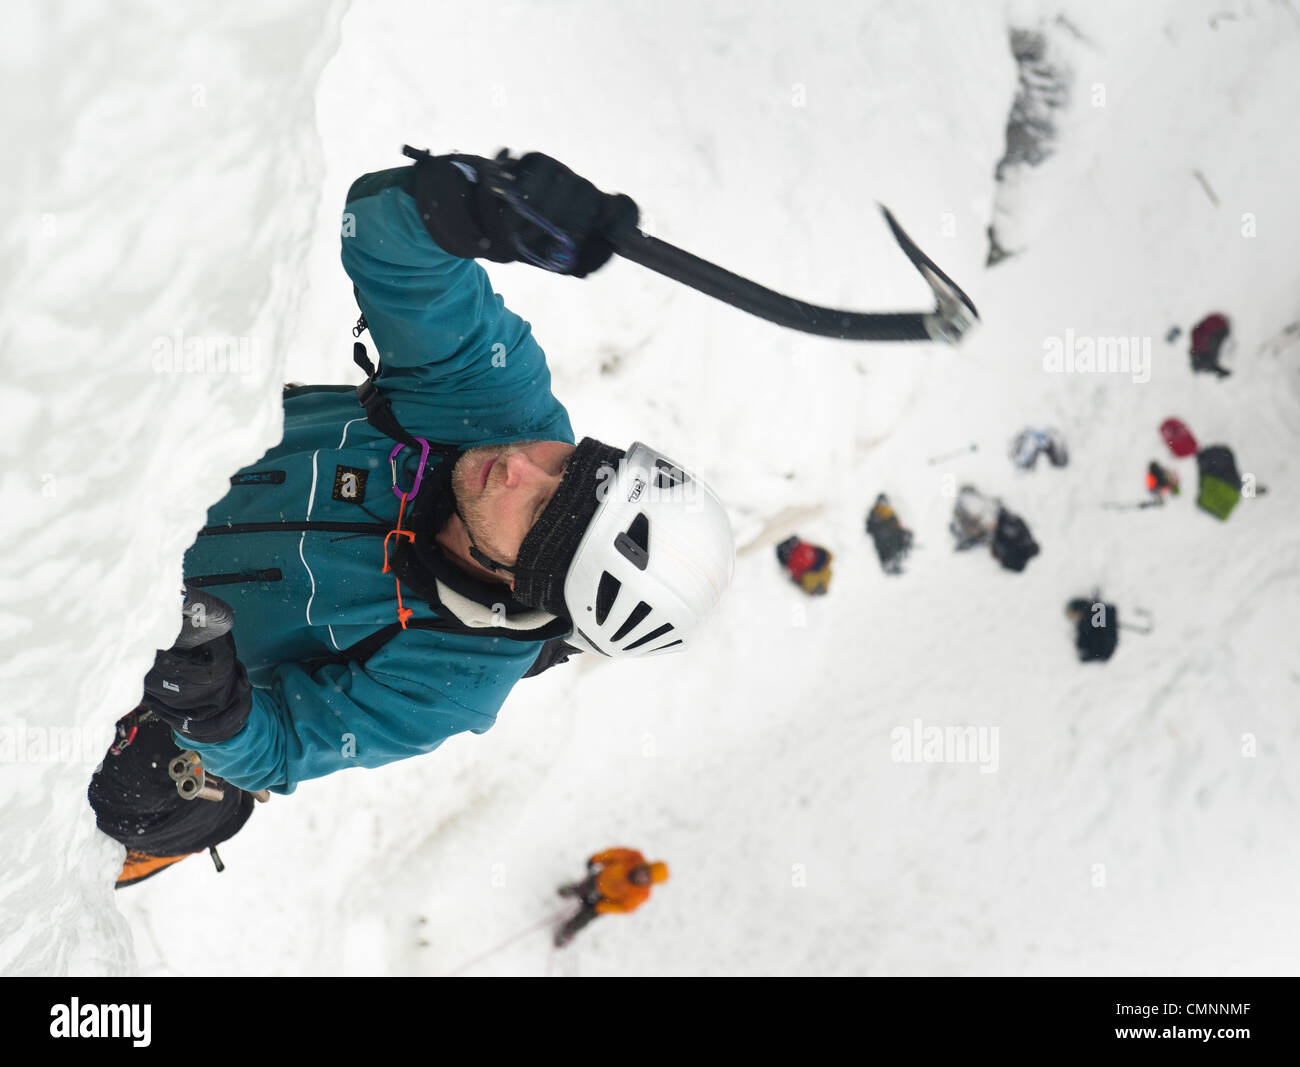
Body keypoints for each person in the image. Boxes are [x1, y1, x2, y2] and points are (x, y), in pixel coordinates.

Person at [122, 147, 736, 799]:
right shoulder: (502, 404)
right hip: (138, 457)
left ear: (518, 582)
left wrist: (213, 708)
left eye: (536, 513)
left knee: (141, 795)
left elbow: (281, 748)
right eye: (570, 463)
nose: (520, 465)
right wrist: (477, 207)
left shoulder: (456, 676)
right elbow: (382, 234)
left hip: (123, 619)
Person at [555, 847, 669, 947]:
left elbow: (624, 908)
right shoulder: (633, 857)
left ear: (649, 883)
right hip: (599, 879)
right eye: (645, 871)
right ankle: (572, 890)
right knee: (583, 888)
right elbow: (612, 853)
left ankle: (567, 932)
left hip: (606, 900)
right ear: (645, 866)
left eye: (646, 878)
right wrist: (596, 859)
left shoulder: (641, 894)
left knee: (584, 917)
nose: (642, 876)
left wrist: (600, 906)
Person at [1189, 312, 1231, 378]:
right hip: (1218, 325)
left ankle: (1220, 371)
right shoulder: (1198, 334)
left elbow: (1202, 342)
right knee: (1210, 357)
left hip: (1218, 327)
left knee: (1211, 357)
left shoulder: (1198, 340)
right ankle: (1219, 371)